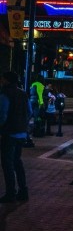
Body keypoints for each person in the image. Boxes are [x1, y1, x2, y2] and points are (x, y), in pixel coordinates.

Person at [0, 71, 31, 202]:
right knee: (17, 161)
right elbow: (29, 112)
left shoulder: (5, 94)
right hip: (21, 133)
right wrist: (23, 124)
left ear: (7, 80)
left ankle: (10, 193)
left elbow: (3, 115)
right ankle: (23, 191)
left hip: (9, 133)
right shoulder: (23, 94)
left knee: (7, 164)